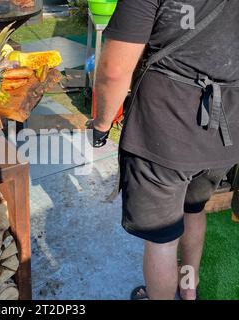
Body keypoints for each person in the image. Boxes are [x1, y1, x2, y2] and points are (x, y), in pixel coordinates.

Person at [89, 0, 239, 300]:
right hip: (224, 134)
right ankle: (188, 290)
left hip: (164, 135)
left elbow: (115, 70)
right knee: (192, 210)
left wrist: (102, 124)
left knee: (162, 241)